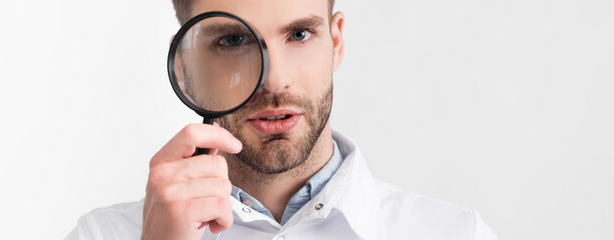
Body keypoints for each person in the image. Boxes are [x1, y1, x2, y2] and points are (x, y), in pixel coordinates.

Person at [66, 0, 498, 239]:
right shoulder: (103, 235)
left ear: (336, 42)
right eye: (234, 40)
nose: (273, 80)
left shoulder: (458, 235)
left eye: (299, 34)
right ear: (186, 65)